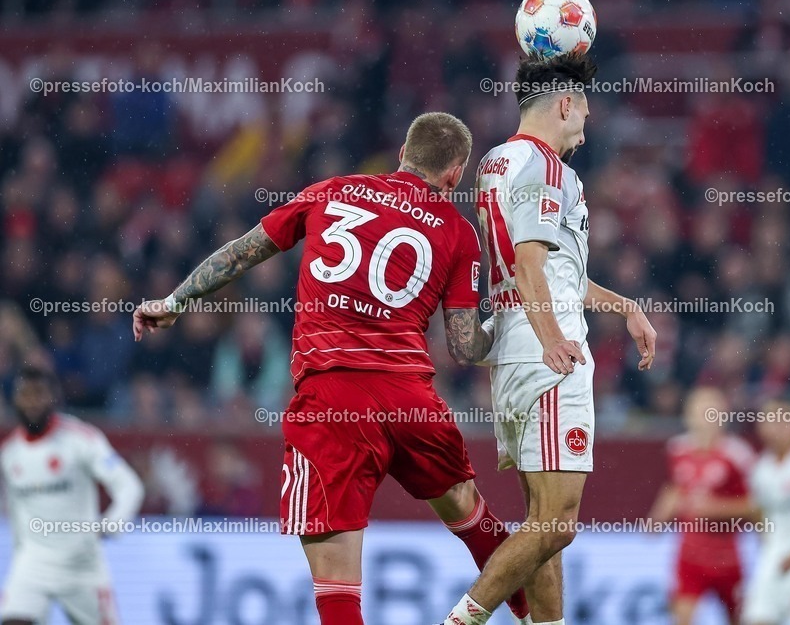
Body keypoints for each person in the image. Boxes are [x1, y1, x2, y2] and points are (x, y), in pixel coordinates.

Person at [133, 112, 530, 625]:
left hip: (332, 401)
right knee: (473, 519)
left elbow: (243, 252)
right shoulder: (458, 232)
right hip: (410, 402)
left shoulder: (333, 190)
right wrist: (512, 321)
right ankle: (534, 616)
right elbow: (464, 346)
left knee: (338, 587)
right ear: (455, 174)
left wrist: (175, 300)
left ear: (403, 154)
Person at [440, 52, 658, 625]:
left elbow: (557, 274)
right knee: (558, 523)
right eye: (584, 107)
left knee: (542, 523)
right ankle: (463, 619)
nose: (588, 121)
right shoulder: (547, 167)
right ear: (565, 104)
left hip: (511, 352)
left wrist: (624, 306)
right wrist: (554, 339)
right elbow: (530, 262)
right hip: (546, 358)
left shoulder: (496, 161)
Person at [0, 366, 144, 625]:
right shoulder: (10, 455)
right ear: (15, 399)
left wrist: (112, 524)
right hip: (33, 565)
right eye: (25, 394)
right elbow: (16, 515)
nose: (32, 402)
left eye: (39, 393)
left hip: (81, 565)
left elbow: (129, 485)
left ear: (53, 397)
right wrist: (20, 557)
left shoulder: (81, 439)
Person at [649, 386, 756, 625]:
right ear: (688, 415)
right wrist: (657, 518)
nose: (705, 416)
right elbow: (675, 487)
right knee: (681, 619)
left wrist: (716, 509)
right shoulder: (677, 449)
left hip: (727, 559)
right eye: (699, 409)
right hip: (689, 557)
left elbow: (755, 507)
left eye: (711, 409)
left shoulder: (738, 454)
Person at [743, 398, 790, 625]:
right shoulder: (760, 468)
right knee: (757, 618)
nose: (776, 429)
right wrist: (769, 544)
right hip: (773, 558)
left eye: (782, 422)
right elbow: (758, 512)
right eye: (769, 422)